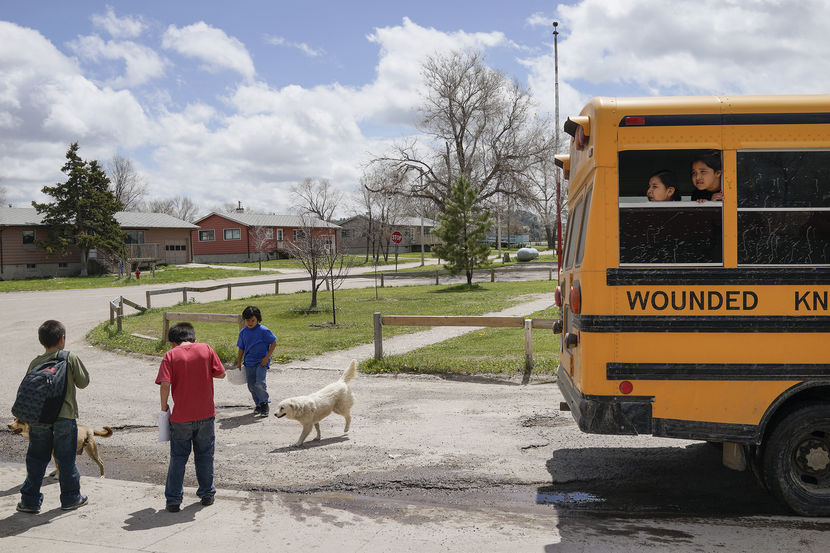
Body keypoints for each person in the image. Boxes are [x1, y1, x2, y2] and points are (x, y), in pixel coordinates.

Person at [17, 320, 90, 514]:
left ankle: (29, 502)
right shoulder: (69, 357)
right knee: (66, 459)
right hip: (64, 418)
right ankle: (71, 498)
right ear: (62, 338)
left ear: (42, 341)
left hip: (39, 419)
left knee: (36, 459)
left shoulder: (35, 362)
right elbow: (83, 382)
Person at [155, 322, 225, 513]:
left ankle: (173, 500)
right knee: (205, 455)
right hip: (206, 414)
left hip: (181, 417)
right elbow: (221, 374)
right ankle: (207, 494)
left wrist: (164, 408)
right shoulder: (206, 349)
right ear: (193, 337)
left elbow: (165, 384)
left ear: (172, 342)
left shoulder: (171, 355)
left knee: (178, 457)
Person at [235, 305, 277, 417]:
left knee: (260, 383)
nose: (250, 322)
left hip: (261, 362)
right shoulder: (243, 332)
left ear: (258, 319)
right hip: (249, 362)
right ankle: (258, 404)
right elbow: (241, 348)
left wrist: (266, 357)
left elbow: (273, 343)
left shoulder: (264, 330)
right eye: (247, 320)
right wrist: (239, 361)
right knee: (251, 385)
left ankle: (264, 403)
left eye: (252, 320)